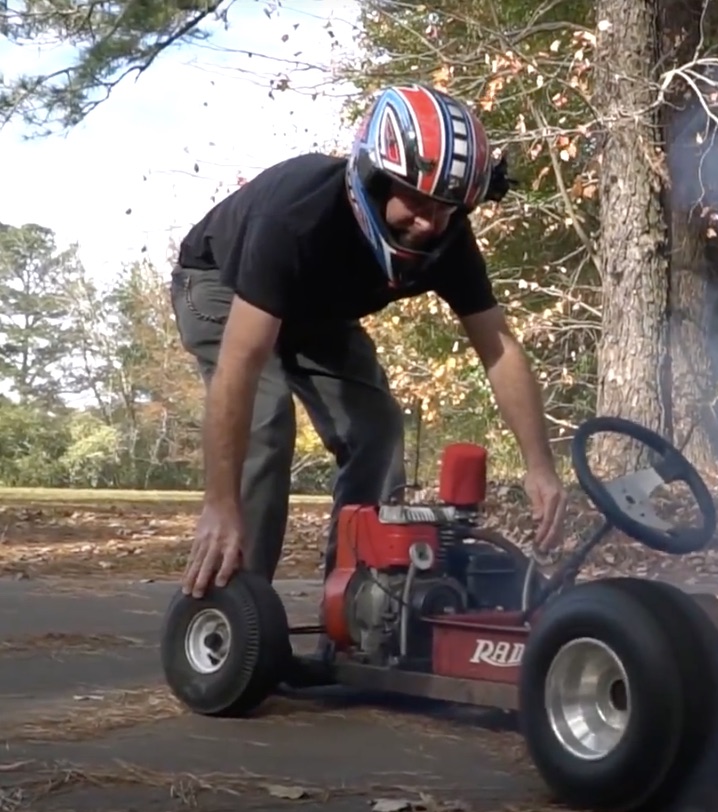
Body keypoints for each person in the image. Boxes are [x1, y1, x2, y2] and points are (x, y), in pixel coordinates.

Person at [170, 83, 566, 600]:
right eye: (417, 201)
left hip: (319, 311)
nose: (428, 223)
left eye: (447, 207)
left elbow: (499, 349)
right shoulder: (297, 219)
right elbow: (241, 365)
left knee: (378, 427)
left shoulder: (447, 240)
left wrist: (540, 465)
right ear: (373, 179)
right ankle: (233, 608)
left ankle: (359, 601)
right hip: (221, 285)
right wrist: (220, 504)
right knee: (266, 424)